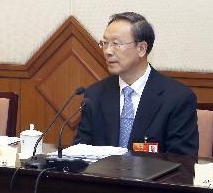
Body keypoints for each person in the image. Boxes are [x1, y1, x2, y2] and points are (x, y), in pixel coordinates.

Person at [72, 12, 199, 155]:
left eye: (116, 44)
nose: (107, 51)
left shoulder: (177, 98)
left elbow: (182, 161)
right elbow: (80, 152)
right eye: (105, 43)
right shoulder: (94, 95)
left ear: (141, 48)